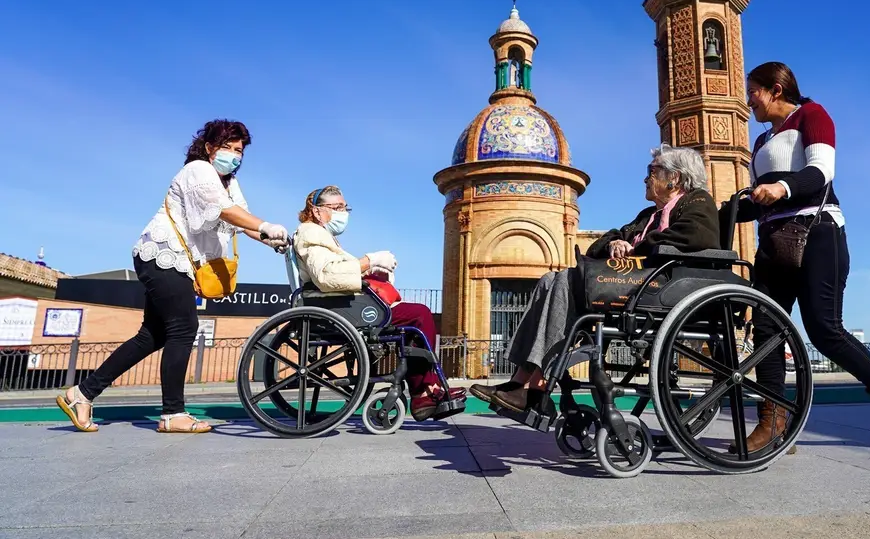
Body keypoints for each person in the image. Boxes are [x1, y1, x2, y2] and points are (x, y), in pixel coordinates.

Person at [720, 61, 870, 452]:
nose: (749, 102)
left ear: (776, 90)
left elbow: (820, 173)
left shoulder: (813, 115)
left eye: (754, 92)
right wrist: (714, 213)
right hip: (775, 240)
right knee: (765, 329)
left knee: (824, 329)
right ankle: (775, 420)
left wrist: (781, 187)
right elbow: (758, 202)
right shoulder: (761, 143)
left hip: (818, 233)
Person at [56, 119, 291, 434]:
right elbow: (224, 210)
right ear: (209, 147)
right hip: (163, 255)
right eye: (228, 148)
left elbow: (241, 222)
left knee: (152, 335)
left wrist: (268, 237)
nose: (234, 156)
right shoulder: (198, 171)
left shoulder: (229, 183)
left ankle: (82, 393)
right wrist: (265, 224)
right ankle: (172, 413)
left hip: (176, 262)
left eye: (239, 151)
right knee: (184, 328)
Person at [471, 144, 721, 413]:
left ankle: (538, 387)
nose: (646, 178)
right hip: (637, 285)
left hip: (663, 288)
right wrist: (615, 243)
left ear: (675, 178)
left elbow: (695, 236)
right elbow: (600, 244)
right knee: (548, 280)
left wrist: (636, 247)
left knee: (566, 281)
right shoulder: (648, 216)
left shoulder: (697, 201)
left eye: (653, 171)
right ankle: (519, 381)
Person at [290, 185, 466, 421]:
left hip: (341, 305)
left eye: (345, 208)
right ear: (316, 210)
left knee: (416, 318)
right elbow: (327, 276)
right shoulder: (312, 233)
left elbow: (336, 273)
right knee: (420, 315)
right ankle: (423, 391)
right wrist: (369, 261)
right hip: (340, 308)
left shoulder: (320, 235)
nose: (344, 213)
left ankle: (423, 390)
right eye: (337, 208)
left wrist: (372, 270)